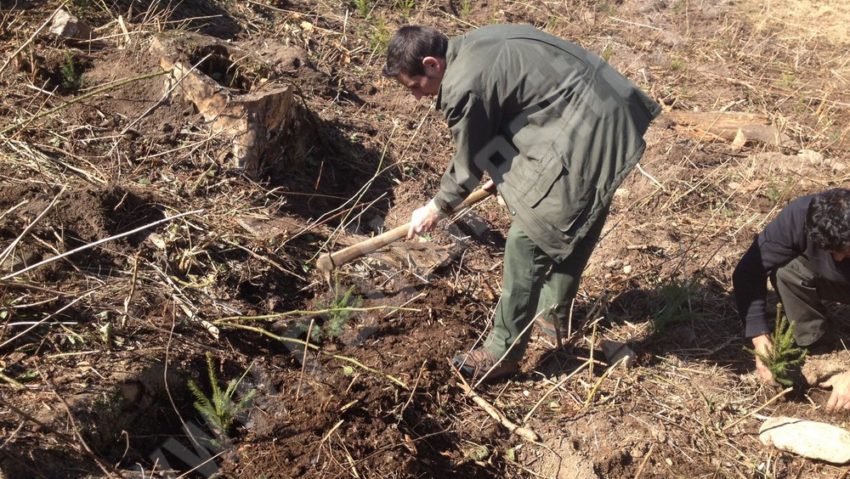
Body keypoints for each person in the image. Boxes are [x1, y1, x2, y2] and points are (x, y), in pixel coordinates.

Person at [382, 24, 660, 381]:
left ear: (432, 64)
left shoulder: (462, 85)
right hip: (606, 105)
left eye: (415, 87)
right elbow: (516, 109)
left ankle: (502, 352)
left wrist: (437, 206)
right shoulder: (474, 44)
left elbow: (469, 162)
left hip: (587, 123)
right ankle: (554, 316)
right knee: (578, 212)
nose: (418, 98)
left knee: (527, 240)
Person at [733, 188, 850, 412]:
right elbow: (748, 272)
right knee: (786, 271)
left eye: (845, 250)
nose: (838, 258)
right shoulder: (800, 215)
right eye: (831, 250)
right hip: (836, 283)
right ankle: (816, 342)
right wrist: (759, 339)